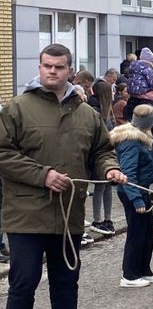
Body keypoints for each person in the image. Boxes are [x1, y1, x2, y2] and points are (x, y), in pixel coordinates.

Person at [0, 43, 127, 309]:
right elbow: (3, 154)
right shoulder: (16, 109)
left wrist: (109, 168)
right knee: (23, 285)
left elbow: (102, 151)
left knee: (66, 286)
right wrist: (43, 175)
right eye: (47, 66)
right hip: (27, 217)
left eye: (59, 67)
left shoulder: (87, 114)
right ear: (39, 68)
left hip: (69, 217)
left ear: (70, 71)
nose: (52, 72)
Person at [112, 104, 153, 288]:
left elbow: (142, 169)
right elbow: (128, 173)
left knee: (147, 231)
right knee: (136, 233)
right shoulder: (131, 142)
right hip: (132, 193)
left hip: (142, 190)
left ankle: (144, 270)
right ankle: (129, 275)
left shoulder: (139, 137)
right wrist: (136, 199)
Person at [88, 80, 118, 236]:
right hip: (98, 154)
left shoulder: (107, 110)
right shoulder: (94, 109)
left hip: (108, 153)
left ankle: (107, 218)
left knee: (108, 187)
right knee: (100, 187)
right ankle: (97, 219)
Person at [127, 47, 153, 123]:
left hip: (132, 92)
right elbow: (152, 83)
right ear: (149, 60)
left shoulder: (132, 66)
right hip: (142, 92)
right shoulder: (147, 68)